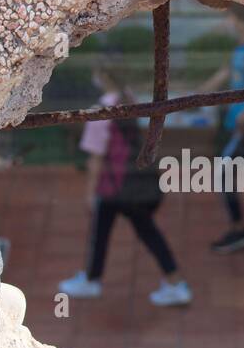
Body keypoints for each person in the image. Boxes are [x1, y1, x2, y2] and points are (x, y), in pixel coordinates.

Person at [58, 61, 192, 307]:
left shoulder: (101, 111)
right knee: (136, 231)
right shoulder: (129, 100)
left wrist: (90, 194)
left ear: (102, 76)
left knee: (108, 232)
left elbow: (95, 158)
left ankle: (93, 280)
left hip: (115, 187)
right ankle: (173, 282)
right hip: (138, 182)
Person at [198, 3, 244, 253]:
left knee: (223, 172)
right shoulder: (241, 46)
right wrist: (197, 95)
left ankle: (240, 228)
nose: (226, 23)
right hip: (239, 122)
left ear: (238, 19)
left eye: (228, 17)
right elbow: (225, 72)